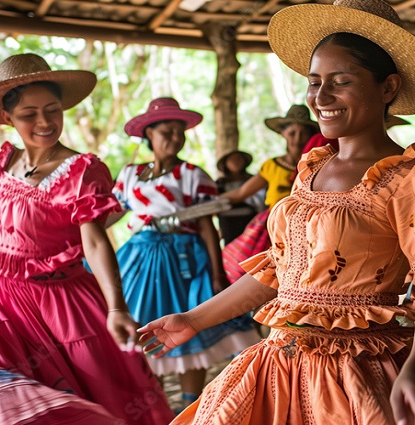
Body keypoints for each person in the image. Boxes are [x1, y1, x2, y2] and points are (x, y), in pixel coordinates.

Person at [138, 0, 415, 423]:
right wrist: (194, 319)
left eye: (340, 81)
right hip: (279, 366)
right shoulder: (311, 168)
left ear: (388, 87)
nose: (320, 97)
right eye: (313, 82)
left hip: (356, 373)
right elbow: (280, 270)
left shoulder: (413, 178)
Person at [0, 53, 173, 424]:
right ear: (8, 118)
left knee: (97, 393)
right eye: (29, 114)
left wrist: (116, 307)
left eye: (52, 110)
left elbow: (94, 241)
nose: (44, 122)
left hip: (64, 303)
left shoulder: (83, 170)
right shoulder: (3, 165)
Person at [108, 97, 262, 412]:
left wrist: (217, 273)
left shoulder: (192, 174)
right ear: (148, 134)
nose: (175, 138)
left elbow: (207, 225)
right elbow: (110, 215)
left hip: (184, 261)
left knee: (188, 326)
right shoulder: (129, 174)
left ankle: (187, 409)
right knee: (141, 330)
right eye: (167, 131)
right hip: (141, 259)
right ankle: (154, 409)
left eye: (180, 132)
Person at [220, 104, 318, 284]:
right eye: (292, 133)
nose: (297, 139)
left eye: (302, 133)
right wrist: (208, 202)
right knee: (264, 276)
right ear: (283, 134)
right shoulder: (272, 166)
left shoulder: (318, 164)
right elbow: (241, 192)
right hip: (272, 228)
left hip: (308, 228)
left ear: (312, 136)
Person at [216, 149, 264, 244]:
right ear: (225, 163)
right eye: (232, 159)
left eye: (238, 159)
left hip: (252, 221)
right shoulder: (220, 183)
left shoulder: (253, 180)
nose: (236, 162)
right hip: (228, 224)